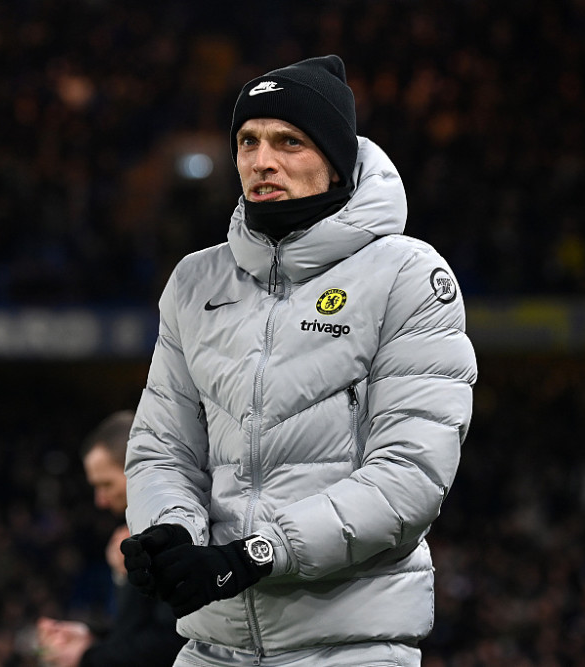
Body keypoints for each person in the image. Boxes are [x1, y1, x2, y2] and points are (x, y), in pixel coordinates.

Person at [120, 55, 478, 666]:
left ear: (336, 160)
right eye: (248, 141)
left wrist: (254, 554)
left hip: (350, 647)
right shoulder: (194, 281)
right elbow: (162, 448)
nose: (262, 160)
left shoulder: (407, 275)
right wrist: (170, 531)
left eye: (289, 141)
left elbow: (409, 477)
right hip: (212, 646)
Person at [36, 410, 187, 667]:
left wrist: (87, 658)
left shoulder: (183, 531)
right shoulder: (148, 532)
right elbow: (145, 632)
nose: (101, 501)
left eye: (106, 484)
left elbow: (176, 646)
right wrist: (92, 638)